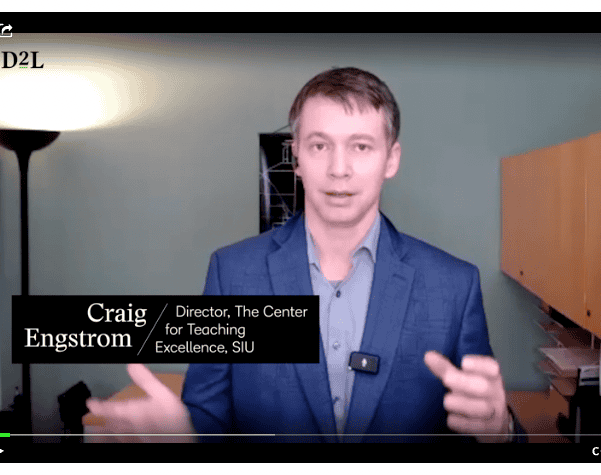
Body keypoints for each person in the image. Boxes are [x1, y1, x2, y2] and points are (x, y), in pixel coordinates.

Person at [86, 67, 522, 444]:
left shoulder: (454, 286)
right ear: (296, 157)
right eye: (319, 145)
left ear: (391, 159)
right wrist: (186, 433)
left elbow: (479, 423)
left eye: (361, 146)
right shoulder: (233, 273)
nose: (338, 169)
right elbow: (210, 418)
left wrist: (500, 429)